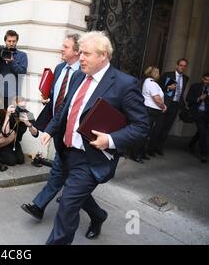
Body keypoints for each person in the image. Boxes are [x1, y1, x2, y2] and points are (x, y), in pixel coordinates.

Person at [41, 31, 149, 245]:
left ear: (104, 56)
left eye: (87, 54)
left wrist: (109, 140)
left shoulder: (124, 84)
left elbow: (142, 126)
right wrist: (50, 129)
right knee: (75, 194)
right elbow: (66, 107)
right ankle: (98, 215)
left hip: (92, 157)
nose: (80, 57)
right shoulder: (79, 75)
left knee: (67, 205)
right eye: (80, 52)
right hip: (67, 150)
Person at [22, 34, 81, 220]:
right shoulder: (59, 68)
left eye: (66, 46)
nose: (61, 49)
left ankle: (39, 205)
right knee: (65, 167)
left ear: (77, 51)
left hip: (73, 130)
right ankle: (90, 208)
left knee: (59, 167)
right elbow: (59, 96)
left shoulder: (83, 74)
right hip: (57, 125)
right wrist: (49, 99)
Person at [149, 59, 189, 156]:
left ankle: (159, 147)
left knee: (167, 128)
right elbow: (158, 88)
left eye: (184, 66)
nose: (182, 67)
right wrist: (168, 88)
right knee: (158, 127)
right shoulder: (168, 75)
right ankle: (150, 148)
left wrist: (183, 107)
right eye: (180, 65)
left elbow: (181, 93)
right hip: (165, 104)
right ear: (176, 65)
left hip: (175, 105)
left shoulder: (186, 78)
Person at [130, 66, 167, 163]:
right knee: (144, 133)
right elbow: (157, 98)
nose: (159, 74)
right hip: (150, 111)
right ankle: (136, 154)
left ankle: (141, 153)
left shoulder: (150, 82)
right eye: (158, 72)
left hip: (152, 111)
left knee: (147, 133)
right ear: (154, 73)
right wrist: (163, 106)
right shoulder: (151, 83)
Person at [0, 30, 28, 109]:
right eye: (9, 41)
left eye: (14, 41)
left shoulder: (22, 55)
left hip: (13, 96)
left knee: (10, 120)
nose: (11, 43)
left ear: (17, 41)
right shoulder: (0, 54)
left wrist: (12, 62)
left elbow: (22, 73)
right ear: (5, 41)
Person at [0, 96, 39, 166]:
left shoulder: (28, 114)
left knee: (20, 160)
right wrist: (9, 115)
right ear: (15, 105)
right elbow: (5, 133)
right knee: (11, 161)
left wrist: (28, 124)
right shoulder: (10, 112)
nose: (21, 110)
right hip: (4, 139)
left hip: (15, 142)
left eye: (23, 107)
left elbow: (36, 134)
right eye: (19, 107)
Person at [186, 72, 209, 163]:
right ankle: (204, 154)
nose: (207, 82)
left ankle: (191, 144)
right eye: (206, 80)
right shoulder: (195, 86)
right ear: (202, 79)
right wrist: (199, 98)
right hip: (197, 113)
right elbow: (188, 99)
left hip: (207, 114)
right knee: (204, 133)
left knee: (201, 131)